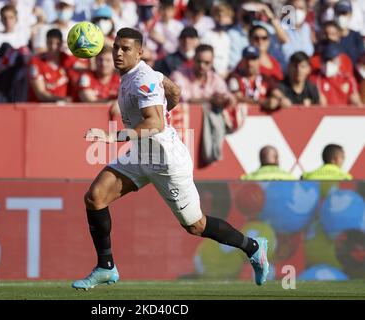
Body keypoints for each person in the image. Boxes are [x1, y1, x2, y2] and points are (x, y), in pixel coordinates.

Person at [71, 27, 269, 290]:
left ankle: (253, 247)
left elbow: (155, 124)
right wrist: (165, 107)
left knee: (196, 226)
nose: (118, 52)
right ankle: (106, 267)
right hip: (143, 153)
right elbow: (175, 92)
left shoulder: (143, 79)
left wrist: (114, 136)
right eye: (116, 47)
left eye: (126, 48)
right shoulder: (145, 74)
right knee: (95, 197)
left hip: (166, 160)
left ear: (139, 52)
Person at [170, 44, 234, 105]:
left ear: (212, 62)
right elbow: (182, 99)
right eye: (199, 61)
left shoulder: (215, 78)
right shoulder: (179, 75)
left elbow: (226, 95)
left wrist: (226, 99)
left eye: (206, 63)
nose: (202, 66)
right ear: (193, 59)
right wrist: (210, 100)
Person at [28, 28, 76, 102]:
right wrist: (62, 100)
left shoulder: (66, 59)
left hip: (63, 109)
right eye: (50, 43)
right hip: (41, 108)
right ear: (46, 43)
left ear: (61, 44)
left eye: (57, 43)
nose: (53, 47)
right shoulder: (36, 62)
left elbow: (87, 70)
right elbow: (40, 94)